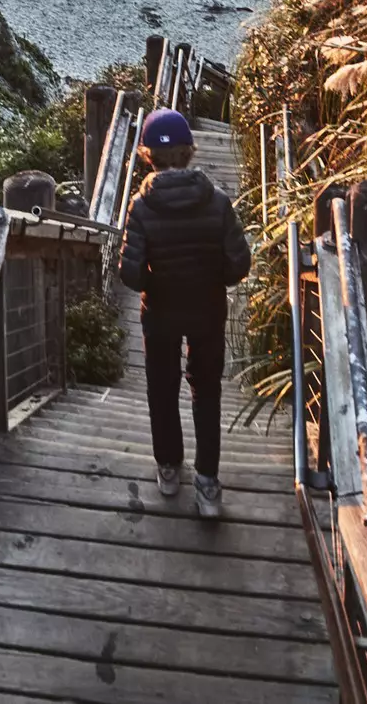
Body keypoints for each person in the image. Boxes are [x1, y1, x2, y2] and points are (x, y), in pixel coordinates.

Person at [119, 107, 251, 517]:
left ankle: (169, 469)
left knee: (162, 389)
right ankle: (208, 485)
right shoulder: (218, 202)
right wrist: (211, 276)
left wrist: (158, 280)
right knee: (205, 391)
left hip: (159, 312)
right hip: (208, 309)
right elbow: (239, 265)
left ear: (147, 155)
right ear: (189, 152)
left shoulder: (141, 207)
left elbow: (132, 275)